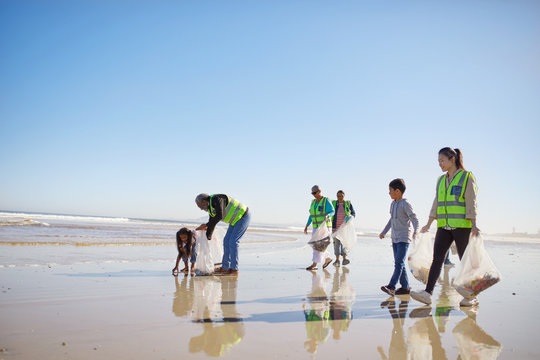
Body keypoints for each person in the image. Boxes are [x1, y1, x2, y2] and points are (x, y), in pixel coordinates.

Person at [411, 147, 479, 307]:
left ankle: (471, 296)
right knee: (437, 259)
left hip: (462, 226)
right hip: (443, 226)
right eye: (438, 161)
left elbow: (471, 201)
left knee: (464, 261)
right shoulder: (441, 180)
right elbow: (436, 202)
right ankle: (427, 293)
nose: (440, 164)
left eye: (442, 161)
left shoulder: (466, 177)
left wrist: (474, 225)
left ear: (452, 159)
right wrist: (429, 223)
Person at [379, 178, 419, 296]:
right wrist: (384, 232)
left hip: (404, 237)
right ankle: (405, 287)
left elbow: (414, 218)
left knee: (399, 263)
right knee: (399, 263)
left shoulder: (405, 204)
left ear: (397, 191)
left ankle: (391, 286)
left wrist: (416, 231)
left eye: (390, 190)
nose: (389, 193)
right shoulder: (393, 204)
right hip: (395, 238)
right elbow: (391, 220)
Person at [195, 193, 251, 275]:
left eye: (200, 206)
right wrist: (206, 238)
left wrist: (206, 225)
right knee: (226, 241)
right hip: (234, 220)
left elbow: (219, 216)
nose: (200, 209)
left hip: (242, 216)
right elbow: (212, 223)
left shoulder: (217, 199)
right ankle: (225, 268)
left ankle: (234, 269)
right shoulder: (210, 209)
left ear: (204, 201)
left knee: (233, 242)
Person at [304, 185, 334, 271]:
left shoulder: (325, 200)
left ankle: (314, 264)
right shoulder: (313, 202)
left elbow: (332, 211)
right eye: (312, 193)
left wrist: (328, 215)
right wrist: (307, 225)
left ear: (319, 191)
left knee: (318, 246)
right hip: (315, 227)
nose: (313, 194)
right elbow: (312, 215)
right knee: (319, 246)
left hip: (324, 227)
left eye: (314, 192)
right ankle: (327, 258)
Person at [331, 190, 356, 266]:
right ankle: (337, 260)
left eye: (341, 196)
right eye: (338, 196)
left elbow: (353, 213)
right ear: (336, 196)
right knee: (336, 244)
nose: (340, 197)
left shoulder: (347, 204)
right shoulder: (334, 203)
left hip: (344, 228)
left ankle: (344, 259)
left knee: (344, 243)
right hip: (335, 228)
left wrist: (350, 218)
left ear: (344, 196)